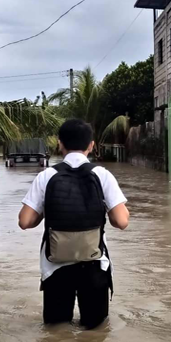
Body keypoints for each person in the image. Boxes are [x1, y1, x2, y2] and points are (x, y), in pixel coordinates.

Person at [18, 118, 129, 329]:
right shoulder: (102, 175)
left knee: (56, 334)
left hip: (55, 267)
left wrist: (46, 209)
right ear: (91, 145)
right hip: (95, 264)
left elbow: (25, 222)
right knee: (96, 334)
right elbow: (121, 221)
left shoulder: (47, 176)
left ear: (60, 144)